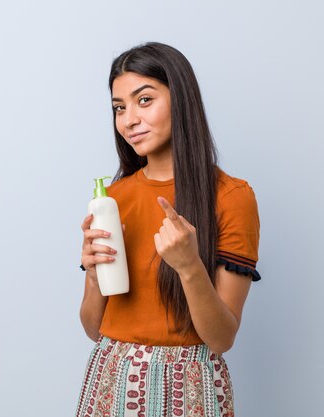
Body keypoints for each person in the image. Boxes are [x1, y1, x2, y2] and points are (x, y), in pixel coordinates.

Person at [76, 42, 261, 417]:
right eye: (119, 107)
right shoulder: (112, 200)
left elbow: (221, 338)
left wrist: (190, 267)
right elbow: (94, 329)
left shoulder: (232, 197)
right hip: (111, 378)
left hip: (190, 387)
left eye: (144, 100)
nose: (129, 120)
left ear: (182, 100)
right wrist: (94, 277)